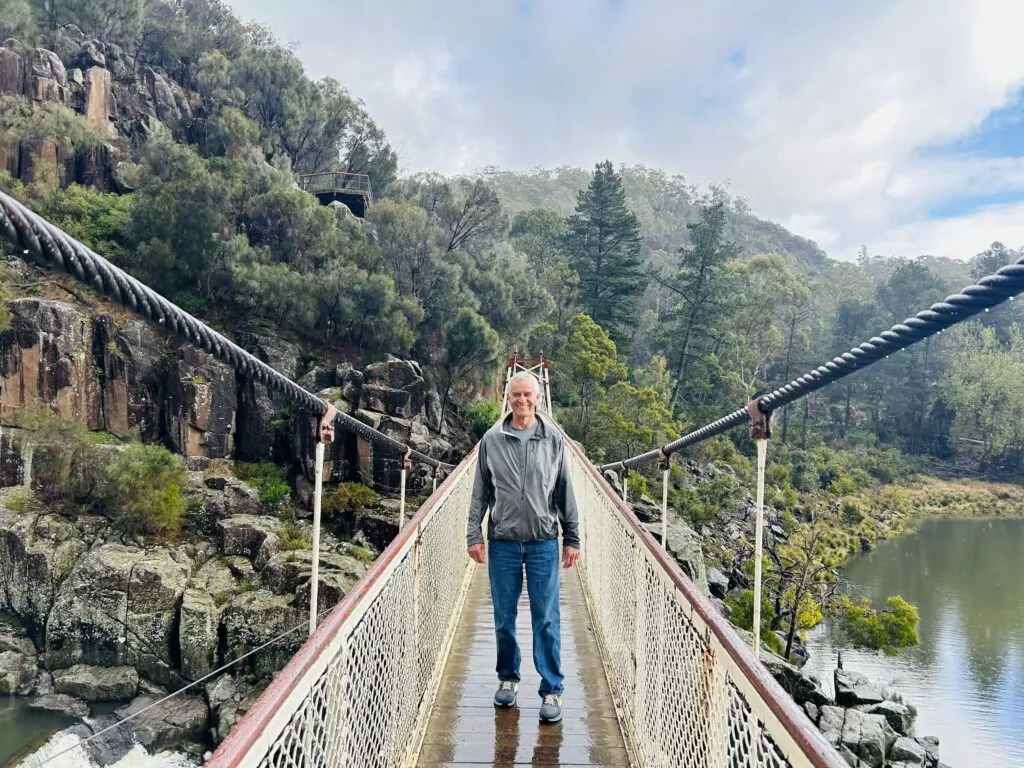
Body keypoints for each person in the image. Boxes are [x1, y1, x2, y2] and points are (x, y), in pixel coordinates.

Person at [467, 370, 580, 724]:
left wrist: (572, 537)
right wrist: (474, 533)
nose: (522, 400)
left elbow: (564, 489)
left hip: (544, 542)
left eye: (528, 395)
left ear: (538, 398)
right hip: (503, 543)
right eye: (516, 395)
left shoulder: (553, 439)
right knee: (504, 618)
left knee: (546, 618)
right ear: (508, 397)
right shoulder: (492, 438)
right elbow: (480, 491)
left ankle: (551, 689)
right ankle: (508, 679)